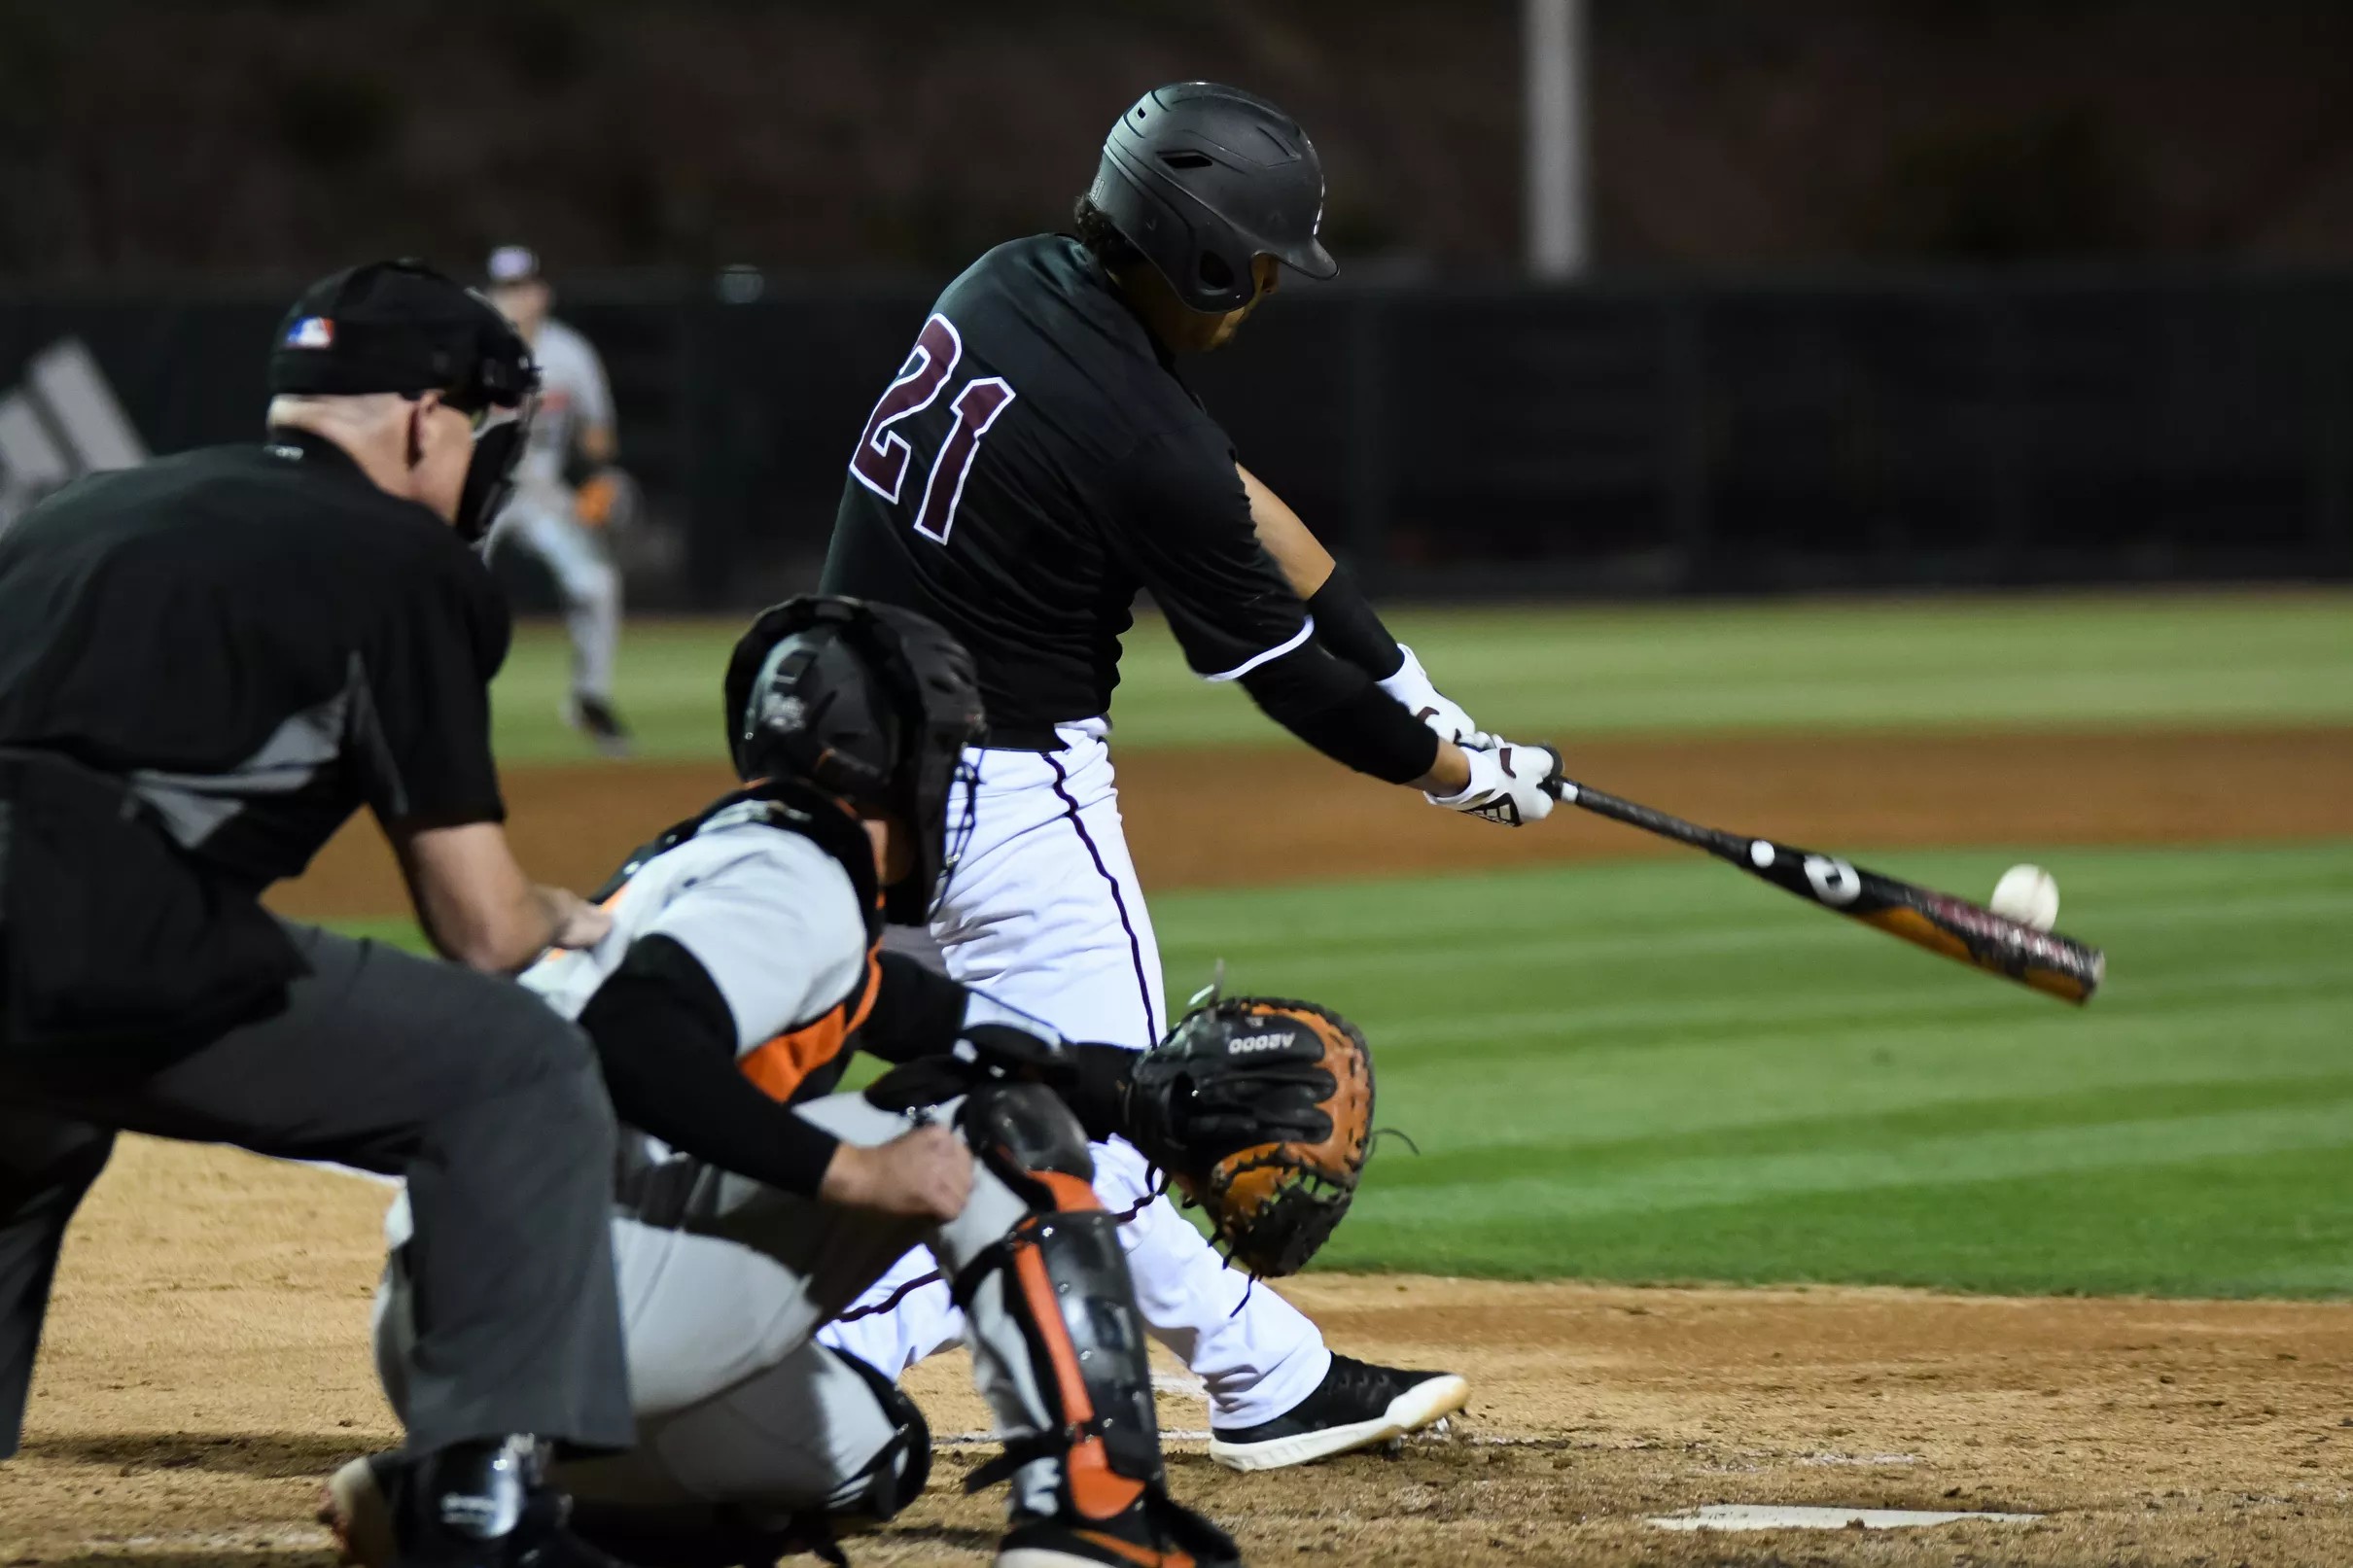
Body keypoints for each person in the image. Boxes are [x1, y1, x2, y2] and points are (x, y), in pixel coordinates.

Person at [818, 81, 1562, 1470]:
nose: (1269, 287)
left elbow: (1239, 501)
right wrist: (1456, 771)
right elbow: (1282, 677)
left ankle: (1263, 1366)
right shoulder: (1133, 436)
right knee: (1100, 1137)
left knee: (985, 1098)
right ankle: (821, 1358)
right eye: (1265, 259)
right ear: (1207, 251)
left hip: (846, 781)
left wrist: (1408, 677)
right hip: (1003, 797)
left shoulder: (1013, 285)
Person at [332, 595, 1243, 1568]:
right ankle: (1098, 1526)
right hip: (568, 1304)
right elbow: (636, 1038)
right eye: (938, 749)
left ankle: (463, 1500)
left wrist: (1113, 1084)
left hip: (460, 1320)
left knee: (862, 1454)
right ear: (884, 757)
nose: (945, 780)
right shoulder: (795, 870)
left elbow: (904, 1008)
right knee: (996, 1126)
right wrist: (853, 1171)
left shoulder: (715, 857)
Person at [0, 261, 634, 1568]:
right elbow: (480, 927)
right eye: (480, 431)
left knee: (35, 1126)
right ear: (422, 419)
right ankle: (480, 1513)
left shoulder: (83, 507)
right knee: (518, 1070)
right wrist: (562, 916)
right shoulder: (408, 564)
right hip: (79, 937)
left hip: (42, 952)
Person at [481, 244, 634, 754]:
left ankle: (590, 699)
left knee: (595, 584)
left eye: (522, 287)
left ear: (542, 293)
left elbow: (597, 436)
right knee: (444, 593)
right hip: (477, 492)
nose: (515, 299)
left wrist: (601, 476)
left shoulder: (570, 353)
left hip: (541, 494)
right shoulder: (469, 349)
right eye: (505, 289)